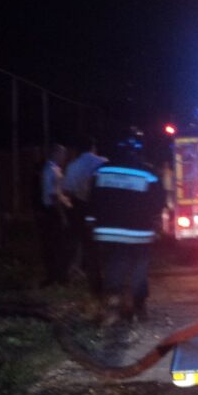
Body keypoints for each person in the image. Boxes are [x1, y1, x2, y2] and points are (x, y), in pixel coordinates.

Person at [88, 139, 166, 324]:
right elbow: (158, 202)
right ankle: (138, 306)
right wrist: (153, 221)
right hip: (138, 232)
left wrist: (91, 221)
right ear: (137, 153)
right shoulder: (148, 174)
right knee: (139, 267)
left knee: (113, 265)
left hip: (106, 231)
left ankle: (112, 306)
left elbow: (93, 198)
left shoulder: (101, 170)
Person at [62, 136, 107, 294]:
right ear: (93, 147)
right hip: (103, 208)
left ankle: (94, 283)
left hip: (81, 208)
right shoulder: (103, 162)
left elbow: (67, 190)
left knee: (88, 246)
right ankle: (110, 280)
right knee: (105, 245)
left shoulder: (73, 166)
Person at [39, 143, 72, 285]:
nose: (64, 157)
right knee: (56, 244)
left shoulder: (56, 169)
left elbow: (59, 192)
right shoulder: (49, 170)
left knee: (59, 244)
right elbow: (53, 195)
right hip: (52, 211)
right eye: (62, 154)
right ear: (55, 153)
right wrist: (62, 215)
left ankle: (59, 275)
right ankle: (54, 276)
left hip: (55, 209)